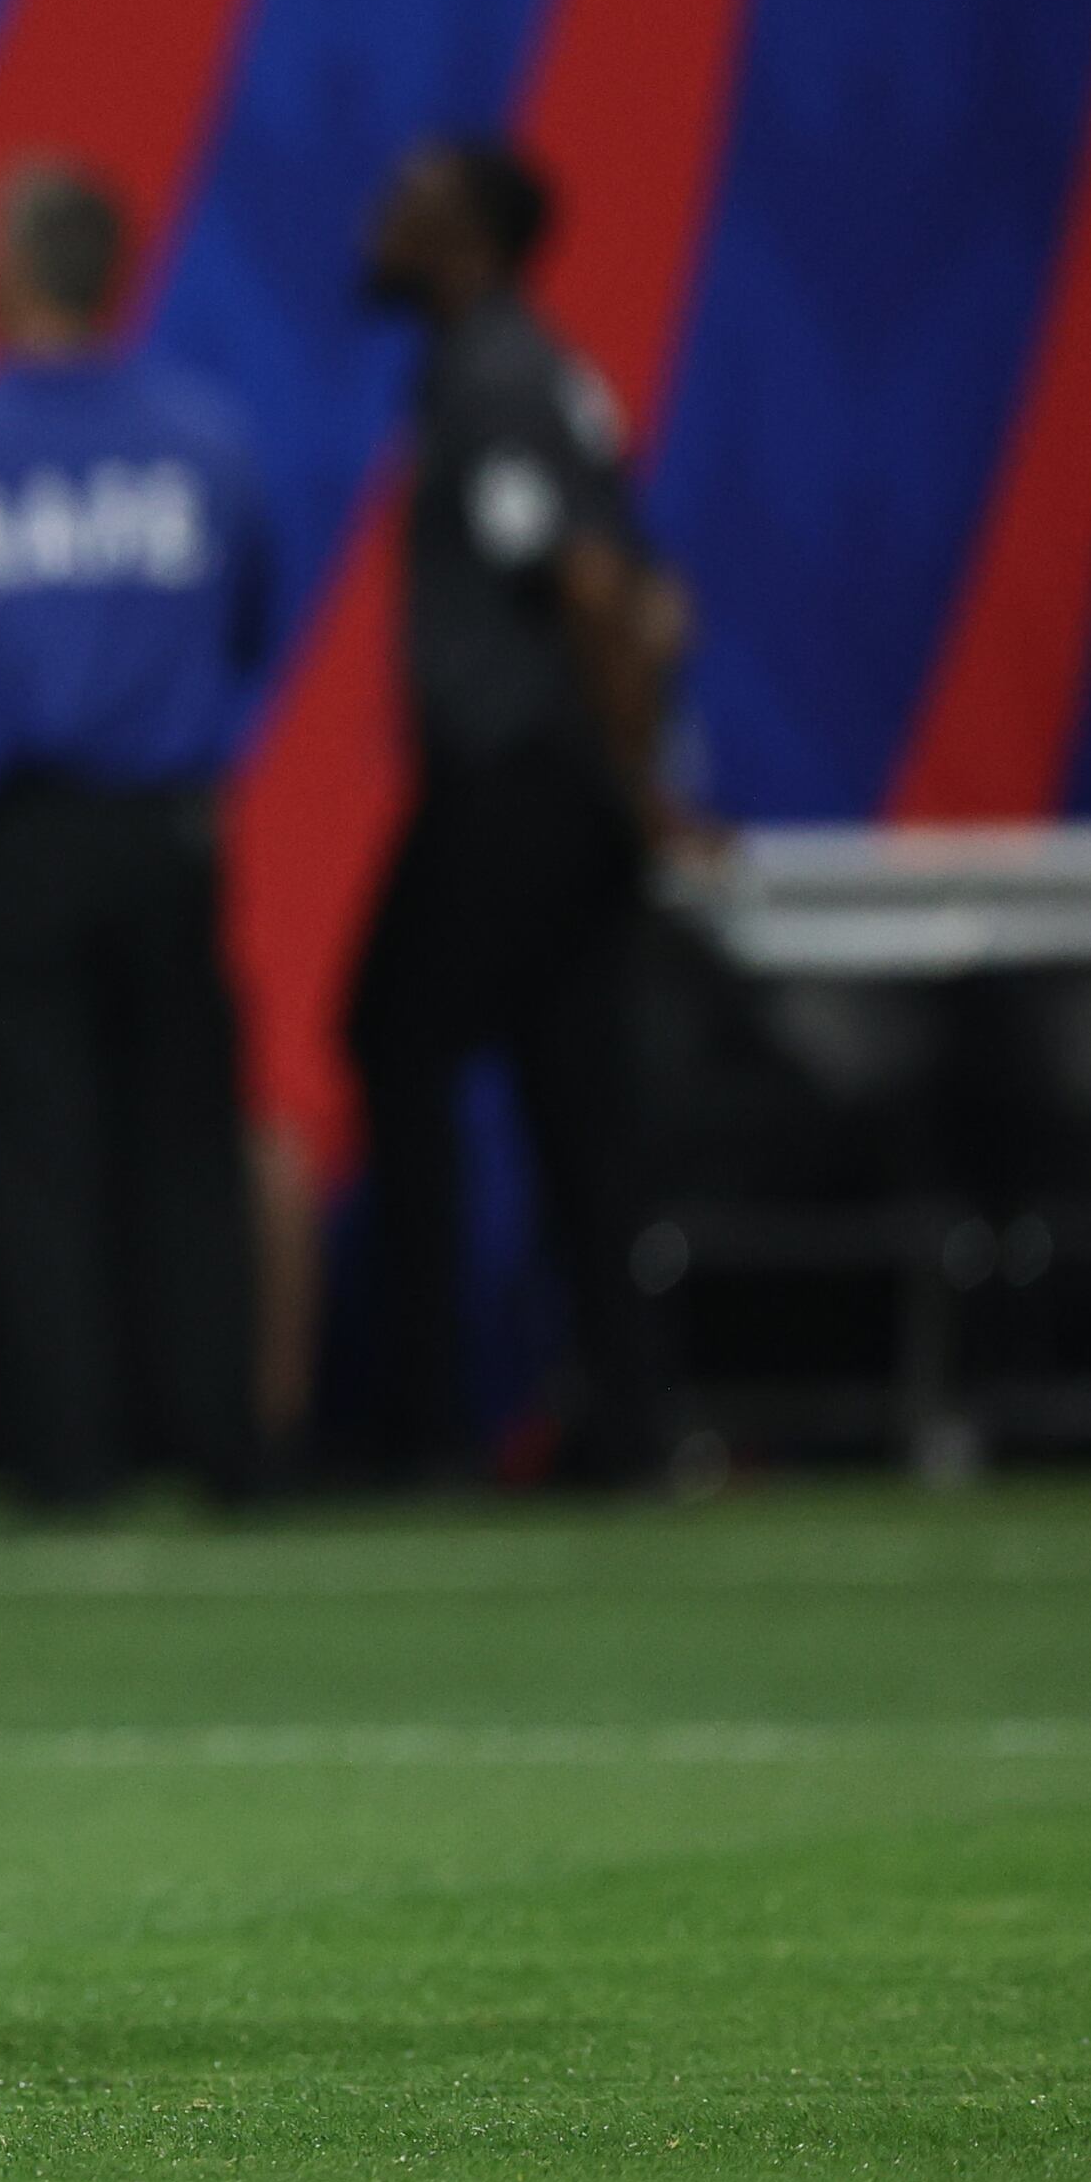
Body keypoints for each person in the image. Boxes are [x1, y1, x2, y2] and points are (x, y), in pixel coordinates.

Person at [0, 161, 275, 1514]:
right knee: (189, 1144)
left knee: (38, 1156)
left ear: (20, 269)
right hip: (163, 834)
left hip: (8, 845)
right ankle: (225, 1451)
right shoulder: (207, 443)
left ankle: (71, 1462)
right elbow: (252, 620)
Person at [345, 137, 693, 1488]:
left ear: (471, 241)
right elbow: (647, 597)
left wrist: (641, 785)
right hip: (560, 783)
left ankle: (424, 1418)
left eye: (408, 206)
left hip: (526, 786)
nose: (379, 224)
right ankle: (626, 1421)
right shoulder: (516, 365)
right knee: (572, 1096)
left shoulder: (491, 372)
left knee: (396, 1036)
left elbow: (599, 588)